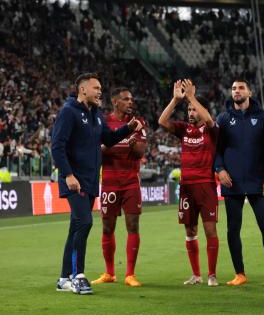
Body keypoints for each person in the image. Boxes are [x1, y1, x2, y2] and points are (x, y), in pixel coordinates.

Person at [52, 73, 142, 295]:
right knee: (85, 222)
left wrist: (128, 128)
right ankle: (78, 276)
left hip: (91, 181)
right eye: (96, 88)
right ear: (82, 90)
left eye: (100, 88)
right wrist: (68, 175)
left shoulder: (96, 115)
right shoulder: (69, 112)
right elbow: (57, 146)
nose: (100, 91)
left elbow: (109, 139)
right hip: (75, 180)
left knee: (76, 226)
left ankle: (64, 278)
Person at [215, 77, 264, 285]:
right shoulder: (224, 119)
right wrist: (219, 169)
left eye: (241, 88)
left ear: (250, 93)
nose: (236, 91)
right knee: (233, 229)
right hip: (231, 181)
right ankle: (240, 274)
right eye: (234, 88)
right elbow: (216, 148)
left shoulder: (263, 117)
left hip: (257, 181)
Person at [159, 79, 220, 286]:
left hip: (206, 185)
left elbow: (210, 121)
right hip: (186, 186)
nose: (191, 113)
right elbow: (162, 121)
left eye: (194, 110)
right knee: (190, 231)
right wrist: (176, 100)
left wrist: (192, 97)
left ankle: (212, 274)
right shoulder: (184, 129)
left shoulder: (212, 130)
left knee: (210, 231)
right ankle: (196, 274)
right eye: (189, 110)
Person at [92, 88, 147, 287]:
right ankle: (109, 273)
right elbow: (99, 151)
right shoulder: (104, 122)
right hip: (109, 183)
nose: (130, 102)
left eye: (131, 99)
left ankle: (130, 274)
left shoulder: (138, 122)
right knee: (107, 228)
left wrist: (133, 145)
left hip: (131, 182)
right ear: (115, 102)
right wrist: (111, 145)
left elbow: (141, 152)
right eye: (126, 99)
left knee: (133, 226)